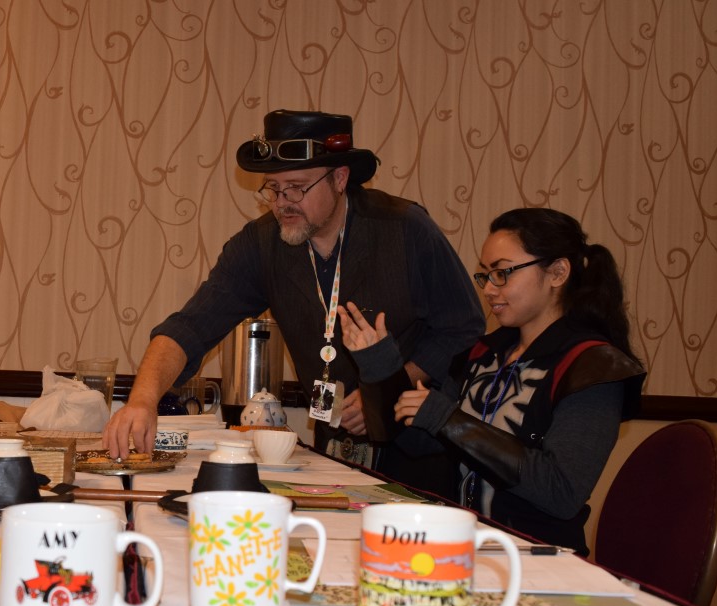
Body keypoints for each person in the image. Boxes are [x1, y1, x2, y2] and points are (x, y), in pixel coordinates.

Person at [103, 110, 485, 493]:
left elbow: (463, 327)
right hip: (334, 442)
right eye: (273, 188)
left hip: (416, 448)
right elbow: (190, 327)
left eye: (297, 188)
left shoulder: (404, 229)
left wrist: (387, 391)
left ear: (339, 178)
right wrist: (142, 400)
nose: (282, 203)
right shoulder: (260, 244)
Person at [338, 207, 645, 555]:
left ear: (558, 272)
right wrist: (379, 363)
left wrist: (449, 419)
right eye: (485, 275)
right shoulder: (485, 353)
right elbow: (419, 443)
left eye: (502, 273)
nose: (488, 289)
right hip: (466, 547)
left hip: (539, 560)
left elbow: (561, 492)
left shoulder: (594, 368)